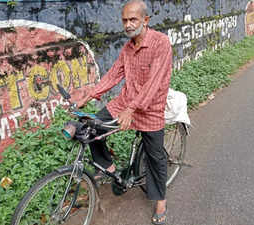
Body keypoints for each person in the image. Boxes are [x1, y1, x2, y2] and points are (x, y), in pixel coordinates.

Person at [77, 0, 172, 224]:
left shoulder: (161, 43)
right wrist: (90, 94)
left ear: (145, 20)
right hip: (125, 102)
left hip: (150, 107)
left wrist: (132, 109)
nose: (128, 25)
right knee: (92, 127)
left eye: (133, 19)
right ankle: (110, 168)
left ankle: (160, 200)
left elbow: (154, 83)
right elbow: (113, 75)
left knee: (155, 157)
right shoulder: (128, 48)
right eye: (124, 20)